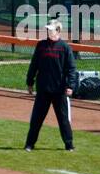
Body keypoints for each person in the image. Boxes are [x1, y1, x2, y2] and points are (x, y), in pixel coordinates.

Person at [24, 18, 78, 152]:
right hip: (43, 89)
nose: (48, 31)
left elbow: (71, 69)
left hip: (59, 91)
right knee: (36, 119)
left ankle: (69, 145)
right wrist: (30, 82)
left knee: (63, 119)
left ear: (58, 30)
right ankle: (29, 144)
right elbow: (34, 65)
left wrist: (70, 86)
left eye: (51, 29)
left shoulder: (65, 48)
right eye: (47, 29)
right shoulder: (41, 45)